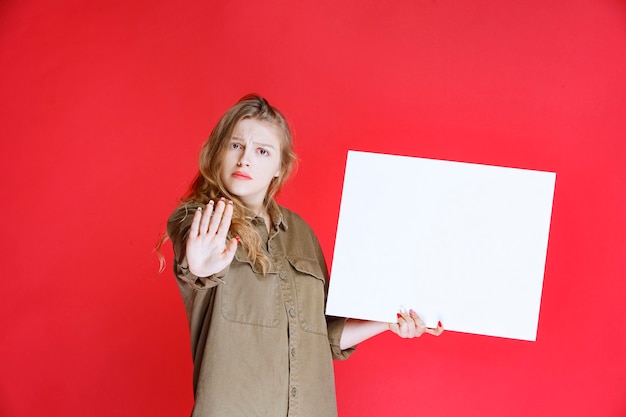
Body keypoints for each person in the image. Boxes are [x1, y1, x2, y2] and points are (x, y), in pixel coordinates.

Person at [159, 94, 443, 417]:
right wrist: (198, 266)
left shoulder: (303, 234)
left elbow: (326, 334)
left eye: (261, 151)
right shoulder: (197, 220)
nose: (245, 160)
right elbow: (193, 263)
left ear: (279, 167)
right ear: (219, 152)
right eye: (236, 145)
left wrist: (388, 319)